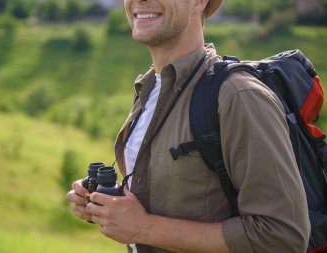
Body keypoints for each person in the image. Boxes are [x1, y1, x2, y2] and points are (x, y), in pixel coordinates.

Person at [66, 0, 311, 252]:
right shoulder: (149, 90)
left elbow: (283, 237)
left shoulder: (238, 97)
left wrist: (144, 228)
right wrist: (105, 205)